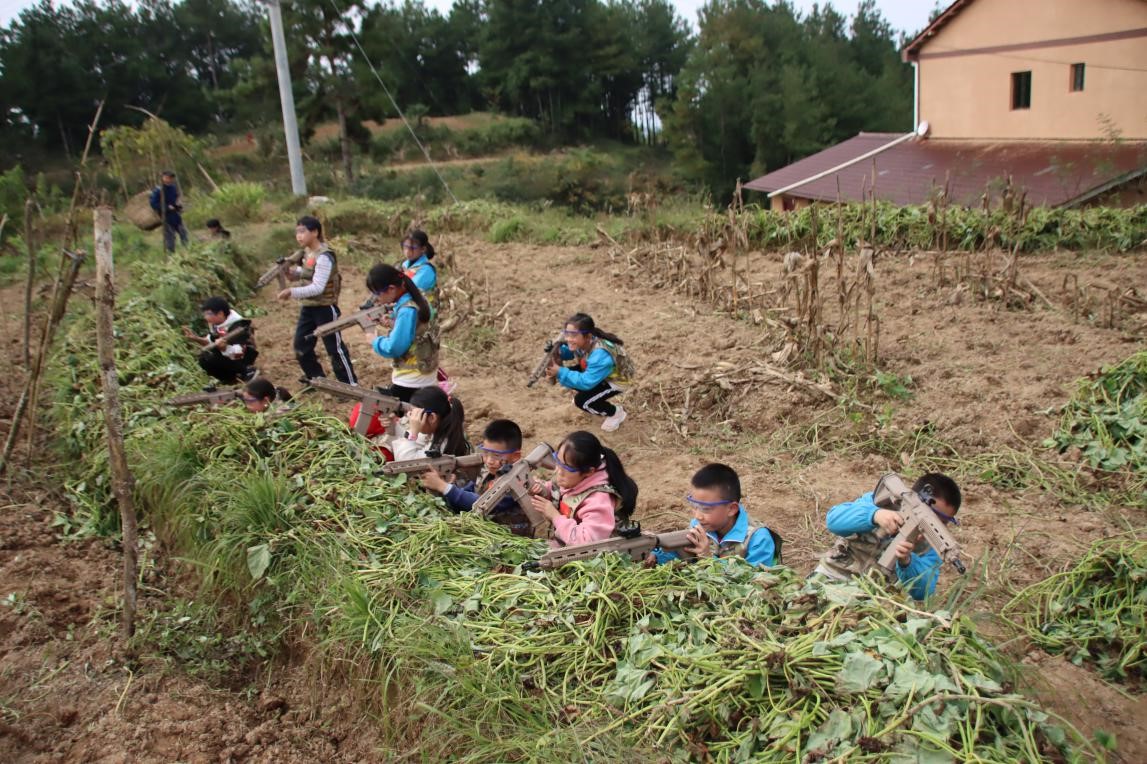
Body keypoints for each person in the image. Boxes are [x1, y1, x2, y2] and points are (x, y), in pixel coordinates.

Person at [812, 473, 963, 601]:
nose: (937, 525)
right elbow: (834, 520)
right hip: (833, 577)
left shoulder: (935, 543)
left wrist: (907, 562)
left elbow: (923, 592)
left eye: (943, 522)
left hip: (879, 599)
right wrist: (874, 515)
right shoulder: (882, 502)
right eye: (934, 517)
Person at [277, 216, 357, 386]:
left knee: (334, 349)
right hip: (308, 307)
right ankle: (316, 379)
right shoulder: (307, 253)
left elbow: (318, 287)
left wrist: (291, 292)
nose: (299, 236)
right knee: (301, 346)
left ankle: (350, 385)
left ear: (315, 232)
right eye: (297, 232)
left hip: (325, 309)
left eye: (302, 231)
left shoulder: (324, 256)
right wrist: (293, 275)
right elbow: (306, 273)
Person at [649, 463, 779, 567]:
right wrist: (656, 556)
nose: (698, 516)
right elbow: (683, 554)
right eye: (694, 506)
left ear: (731, 509)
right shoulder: (701, 525)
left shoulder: (758, 539)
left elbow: (754, 583)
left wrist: (709, 560)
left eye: (706, 509)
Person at [420, 419, 531, 536]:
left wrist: (443, 487)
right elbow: (468, 495)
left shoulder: (517, 480)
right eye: (486, 453)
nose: (489, 461)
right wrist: (446, 487)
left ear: (515, 456)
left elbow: (480, 504)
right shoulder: (488, 472)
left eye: (496, 456)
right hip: (487, 532)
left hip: (509, 540)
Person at [529, 431, 638, 548]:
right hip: (570, 543)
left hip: (601, 556)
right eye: (558, 461)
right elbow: (558, 490)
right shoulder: (572, 477)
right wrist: (543, 490)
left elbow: (588, 542)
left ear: (589, 471)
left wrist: (555, 517)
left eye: (567, 467)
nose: (558, 471)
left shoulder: (599, 500)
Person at [544, 313, 629, 432]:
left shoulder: (600, 354)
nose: (568, 339)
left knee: (582, 402)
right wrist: (559, 352)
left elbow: (586, 382)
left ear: (587, 336)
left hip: (616, 380)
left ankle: (616, 413)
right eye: (567, 334)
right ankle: (592, 398)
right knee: (570, 376)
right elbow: (571, 352)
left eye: (573, 335)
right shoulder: (586, 341)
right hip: (598, 372)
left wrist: (560, 371)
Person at [366, 263, 439, 402]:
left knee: (397, 417)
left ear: (392, 289)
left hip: (410, 377)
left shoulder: (406, 311)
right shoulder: (418, 296)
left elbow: (395, 347)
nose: (376, 298)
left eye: (377, 293)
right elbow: (418, 327)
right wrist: (395, 321)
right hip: (425, 372)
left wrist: (375, 341)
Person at [182, 296, 258, 384]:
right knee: (204, 359)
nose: (206, 317)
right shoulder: (217, 324)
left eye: (209, 314)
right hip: (229, 355)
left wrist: (224, 348)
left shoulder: (238, 326)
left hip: (244, 356)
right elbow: (210, 342)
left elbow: (240, 352)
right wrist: (196, 338)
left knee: (211, 358)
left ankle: (246, 371)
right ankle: (231, 378)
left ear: (220, 313)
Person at [390, 385, 469, 461]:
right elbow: (412, 441)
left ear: (432, 418)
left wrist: (413, 434)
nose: (411, 417)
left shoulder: (441, 446)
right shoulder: (441, 429)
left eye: (415, 414)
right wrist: (393, 424)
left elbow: (404, 461)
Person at [149, 171, 188, 253]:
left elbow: (176, 199)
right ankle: (171, 255)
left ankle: (187, 251)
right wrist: (166, 207)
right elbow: (153, 204)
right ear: (163, 178)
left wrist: (178, 206)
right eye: (167, 178)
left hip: (176, 216)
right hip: (166, 217)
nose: (169, 180)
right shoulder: (158, 190)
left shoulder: (173, 188)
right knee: (170, 237)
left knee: (183, 233)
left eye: (170, 178)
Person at [400, 229, 438, 313]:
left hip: (424, 315)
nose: (408, 252)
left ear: (423, 249)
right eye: (405, 247)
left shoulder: (426, 270)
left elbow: (411, 291)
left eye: (413, 248)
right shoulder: (404, 265)